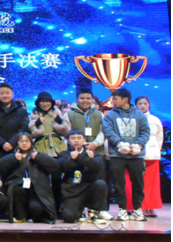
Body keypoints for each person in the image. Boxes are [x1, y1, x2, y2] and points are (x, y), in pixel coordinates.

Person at [102, 88, 150, 221]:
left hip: (136, 155)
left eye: (116, 99)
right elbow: (108, 130)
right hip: (117, 155)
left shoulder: (139, 115)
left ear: (125, 100)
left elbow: (146, 131)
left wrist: (139, 145)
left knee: (138, 184)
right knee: (118, 184)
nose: (113, 101)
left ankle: (137, 210)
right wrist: (119, 144)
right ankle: (122, 210)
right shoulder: (110, 115)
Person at [64, 88, 111, 219]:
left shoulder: (99, 114)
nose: (85, 101)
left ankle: (100, 209)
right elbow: (67, 133)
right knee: (79, 179)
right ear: (77, 99)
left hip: (96, 152)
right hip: (76, 153)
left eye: (88, 98)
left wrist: (95, 144)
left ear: (92, 100)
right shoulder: (69, 114)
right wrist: (75, 145)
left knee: (100, 182)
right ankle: (80, 207)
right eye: (82, 98)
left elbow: (103, 132)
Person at [0, 132, 60, 224]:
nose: (24, 143)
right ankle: (20, 216)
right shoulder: (13, 155)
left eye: (27, 141)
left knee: (36, 208)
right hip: (19, 190)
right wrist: (13, 158)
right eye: (21, 141)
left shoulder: (38, 155)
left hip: (35, 191)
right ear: (17, 143)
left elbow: (56, 166)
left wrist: (39, 157)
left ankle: (35, 216)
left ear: (31, 142)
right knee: (17, 190)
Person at [58, 130, 108, 224]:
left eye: (79, 138)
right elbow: (63, 166)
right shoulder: (64, 154)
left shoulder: (92, 153)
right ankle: (80, 212)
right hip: (73, 192)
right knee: (69, 217)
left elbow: (98, 166)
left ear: (84, 140)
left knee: (101, 184)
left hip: (89, 189)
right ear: (68, 141)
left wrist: (80, 157)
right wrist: (85, 159)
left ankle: (94, 212)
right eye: (73, 138)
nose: (76, 140)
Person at [127, 96, 164, 218]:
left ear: (148, 105)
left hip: (152, 156)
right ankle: (137, 207)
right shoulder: (131, 119)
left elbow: (159, 138)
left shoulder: (155, 120)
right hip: (135, 155)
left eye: (145, 103)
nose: (143, 106)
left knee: (151, 184)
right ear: (135, 105)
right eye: (140, 103)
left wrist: (156, 149)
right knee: (135, 182)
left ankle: (150, 207)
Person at [0, 83, 30, 158]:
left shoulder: (21, 111)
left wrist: (12, 143)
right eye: (2, 93)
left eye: (7, 93)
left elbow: (24, 129)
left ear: (12, 94)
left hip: (17, 149)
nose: (5, 95)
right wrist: (2, 143)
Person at [29, 91, 70, 158]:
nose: (45, 104)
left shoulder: (57, 114)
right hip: (41, 145)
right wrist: (37, 123)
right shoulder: (34, 115)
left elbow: (66, 131)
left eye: (47, 101)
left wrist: (59, 121)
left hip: (58, 145)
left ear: (51, 102)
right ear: (38, 103)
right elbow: (32, 133)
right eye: (42, 101)